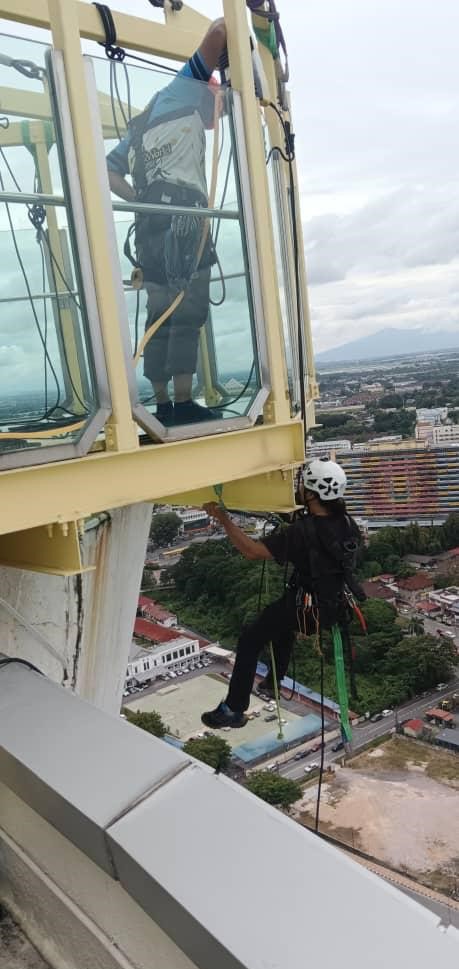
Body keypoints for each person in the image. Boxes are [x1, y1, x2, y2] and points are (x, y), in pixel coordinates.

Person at [106, 18, 229, 427]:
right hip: (183, 221)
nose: (217, 114)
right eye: (217, 102)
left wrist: (140, 199)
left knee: (158, 313)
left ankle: (161, 404)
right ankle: (181, 403)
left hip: (150, 227)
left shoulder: (140, 126)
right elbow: (220, 28)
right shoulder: (183, 87)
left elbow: (106, 170)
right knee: (188, 310)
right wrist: (234, 55)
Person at [201, 458, 363, 729]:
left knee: (251, 639)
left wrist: (224, 519)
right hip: (332, 606)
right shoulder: (348, 524)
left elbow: (252, 552)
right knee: (280, 626)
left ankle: (234, 708)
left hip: (303, 605)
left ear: (311, 493)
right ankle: (273, 682)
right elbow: (319, 535)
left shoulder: (301, 532)